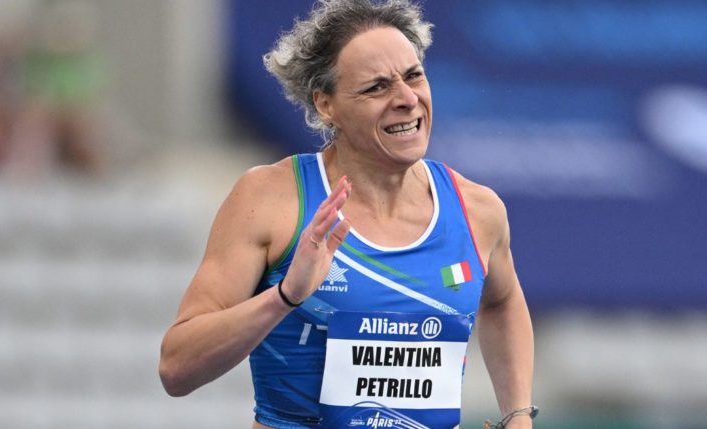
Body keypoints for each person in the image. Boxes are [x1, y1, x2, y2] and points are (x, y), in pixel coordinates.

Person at [159, 1, 535, 428]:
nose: (407, 100)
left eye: (414, 76)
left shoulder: (477, 210)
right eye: (377, 87)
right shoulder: (271, 200)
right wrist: (284, 298)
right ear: (326, 105)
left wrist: (518, 414)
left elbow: (503, 302)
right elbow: (177, 367)